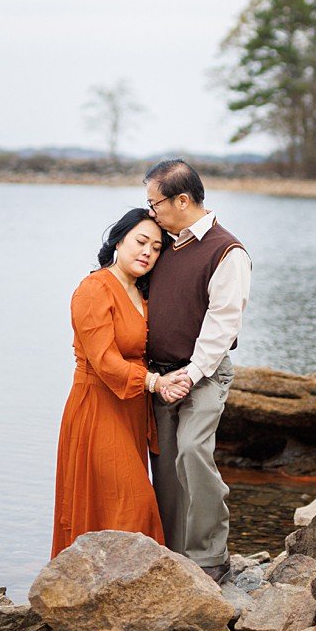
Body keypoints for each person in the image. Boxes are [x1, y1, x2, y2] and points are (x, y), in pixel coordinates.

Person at [143, 159, 251, 582]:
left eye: (156, 203)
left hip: (204, 373)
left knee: (192, 452)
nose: (152, 211)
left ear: (182, 199)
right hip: (159, 375)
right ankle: (173, 555)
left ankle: (210, 557)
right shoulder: (163, 243)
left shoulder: (228, 252)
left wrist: (190, 374)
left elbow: (223, 324)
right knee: (166, 466)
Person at [50, 208, 176, 557]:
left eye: (156, 247)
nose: (147, 252)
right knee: (131, 504)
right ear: (119, 240)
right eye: (140, 241)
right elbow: (104, 362)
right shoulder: (93, 290)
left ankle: (121, 596)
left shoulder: (142, 293)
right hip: (98, 408)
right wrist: (154, 382)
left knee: (116, 504)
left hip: (132, 411)